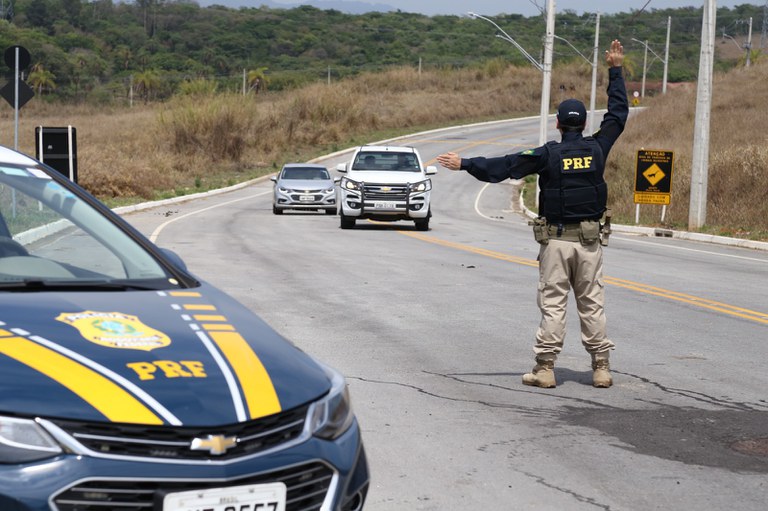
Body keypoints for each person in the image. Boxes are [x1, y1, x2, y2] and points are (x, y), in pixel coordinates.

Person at [436, 39, 628, 389]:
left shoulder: (546, 155)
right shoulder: (598, 147)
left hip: (556, 242)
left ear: (558, 124)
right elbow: (618, 115)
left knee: (554, 305)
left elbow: (505, 165)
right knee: (592, 304)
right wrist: (615, 70)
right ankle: (601, 368)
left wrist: (465, 163)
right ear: (584, 124)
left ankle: (545, 368)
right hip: (589, 242)